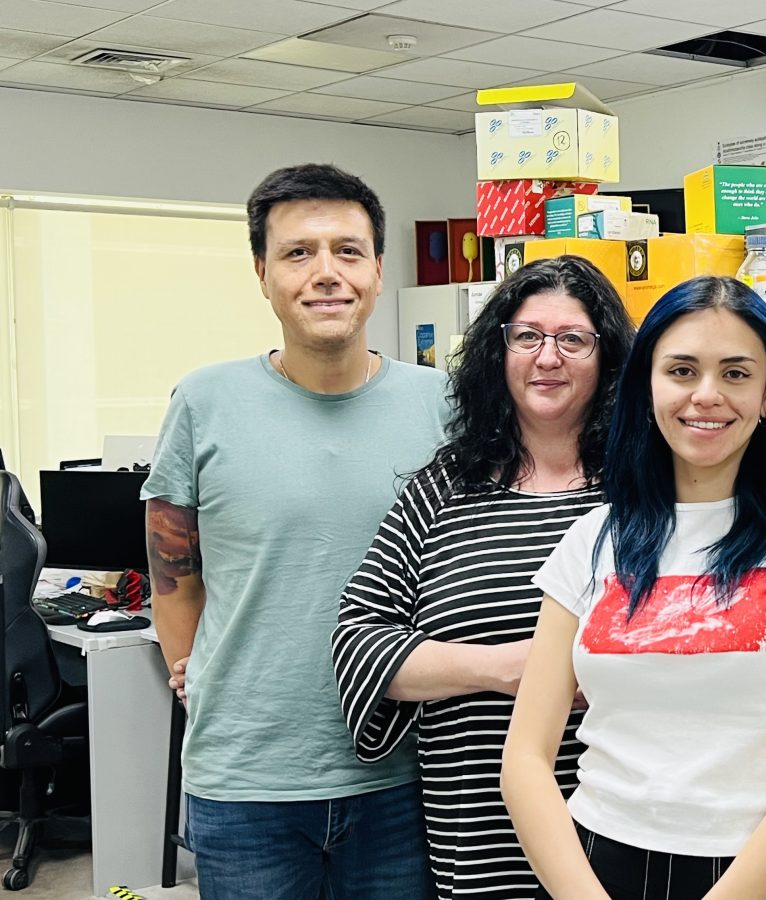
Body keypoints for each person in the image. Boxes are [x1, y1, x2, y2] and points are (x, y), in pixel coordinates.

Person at [501, 276, 766, 899]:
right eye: (682, 370)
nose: (706, 395)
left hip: (757, 873)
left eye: (736, 374)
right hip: (595, 865)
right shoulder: (593, 539)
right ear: (648, 387)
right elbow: (524, 757)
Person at [142, 163, 446, 899]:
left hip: (402, 769)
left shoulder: (442, 403)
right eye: (298, 253)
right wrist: (196, 671)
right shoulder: (204, 400)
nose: (326, 273)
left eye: (348, 251)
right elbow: (172, 575)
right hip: (247, 780)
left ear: (378, 269)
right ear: (262, 273)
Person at [330, 256, 634, 899]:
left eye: (573, 340)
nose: (547, 357)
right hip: (476, 832)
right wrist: (511, 669)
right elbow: (359, 643)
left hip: (623, 825)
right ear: (499, 352)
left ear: (607, 356)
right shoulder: (445, 489)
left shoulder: (647, 492)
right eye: (527, 337)